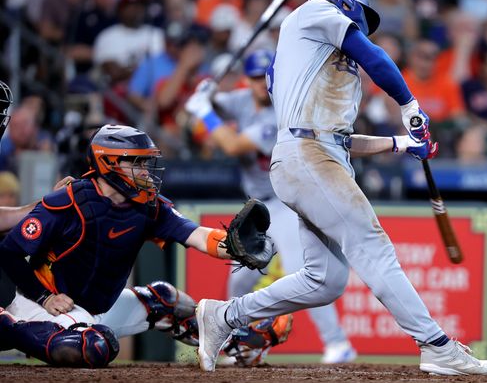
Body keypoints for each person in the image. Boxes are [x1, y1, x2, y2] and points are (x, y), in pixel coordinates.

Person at [194, 0, 487, 375]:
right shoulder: (313, 12)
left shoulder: (313, 61)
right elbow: (375, 58)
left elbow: (339, 138)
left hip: (313, 157)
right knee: (373, 247)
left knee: (325, 281)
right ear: (344, 4)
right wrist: (410, 105)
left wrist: (401, 143)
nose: (359, 27)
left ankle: (224, 316)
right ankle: (436, 345)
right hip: (309, 157)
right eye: (358, 16)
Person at [0, 124, 290, 367]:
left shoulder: (149, 207)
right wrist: (44, 298)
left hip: (95, 312)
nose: (145, 171)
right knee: (94, 347)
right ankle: (9, 328)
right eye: (136, 162)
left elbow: (198, 236)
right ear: (109, 163)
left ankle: (240, 344)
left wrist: (234, 245)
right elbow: (10, 251)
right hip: (45, 307)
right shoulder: (68, 200)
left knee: (163, 299)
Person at [184, 50, 357, 364]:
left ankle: (337, 343)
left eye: (263, 78)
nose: (259, 85)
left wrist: (203, 112)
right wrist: (205, 94)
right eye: (252, 78)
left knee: (303, 272)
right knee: (241, 279)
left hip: (287, 202)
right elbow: (219, 103)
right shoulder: (242, 99)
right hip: (259, 206)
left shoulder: (278, 113)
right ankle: (229, 339)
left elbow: (233, 145)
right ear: (246, 80)